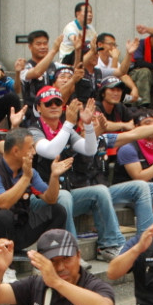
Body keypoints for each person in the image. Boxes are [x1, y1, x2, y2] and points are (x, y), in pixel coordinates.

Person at [28, 89, 125, 262]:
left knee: (100, 191)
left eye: (57, 102)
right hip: (38, 198)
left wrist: (88, 125)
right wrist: (69, 124)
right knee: (64, 195)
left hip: (64, 194)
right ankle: (71, 254)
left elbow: (90, 149)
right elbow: (50, 151)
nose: (54, 106)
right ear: (38, 108)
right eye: (48, 103)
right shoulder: (33, 130)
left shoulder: (65, 129)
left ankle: (109, 245)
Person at [0, 127, 67, 282]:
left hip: (19, 230)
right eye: (30, 148)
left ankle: (42, 262)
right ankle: (7, 269)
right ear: (16, 151)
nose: (34, 152)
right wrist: (25, 178)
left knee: (57, 210)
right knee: (4, 215)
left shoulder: (29, 171)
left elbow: (50, 199)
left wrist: (54, 177)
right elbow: (3, 203)